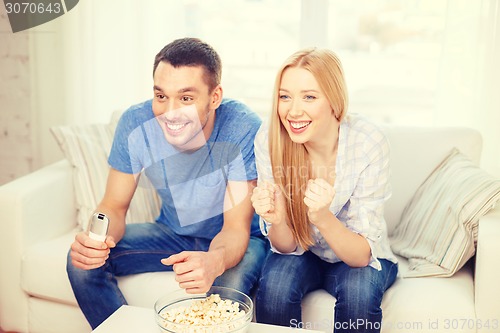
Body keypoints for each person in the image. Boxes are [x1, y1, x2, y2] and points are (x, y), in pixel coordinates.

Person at [67, 37, 268, 329]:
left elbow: (235, 228)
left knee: (228, 287)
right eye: (161, 96)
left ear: (215, 97)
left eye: (186, 98)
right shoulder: (136, 124)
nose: (170, 112)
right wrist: (96, 241)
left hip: (242, 239)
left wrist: (214, 261)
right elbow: (114, 205)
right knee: (81, 264)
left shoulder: (242, 127)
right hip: (173, 233)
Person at [251, 47, 398, 333]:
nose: (293, 111)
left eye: (309, 96)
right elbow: (285, 246)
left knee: (359, 294)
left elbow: (360, 257)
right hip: (302, 252)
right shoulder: (270, 138)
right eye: (284, 96)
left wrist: (321, 216)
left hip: (355, 253)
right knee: (275, 289)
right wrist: (277, 218)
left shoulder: (367, 141)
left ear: (334, 101)